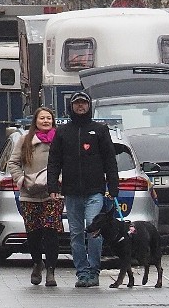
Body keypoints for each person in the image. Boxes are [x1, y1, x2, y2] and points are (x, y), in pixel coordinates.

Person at [46, 91, 119, 288]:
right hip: (71, 193)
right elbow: (54, 161)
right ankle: (82, 272)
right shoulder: (62, 132)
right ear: (71, 106)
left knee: (93, 231)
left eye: (83, 103)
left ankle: (94, 271)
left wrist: (113, 186)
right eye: (77, 103)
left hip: (95, 191)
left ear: (89, 106)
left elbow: (110, 160)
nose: (80, 106)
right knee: (76, 234)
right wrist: (52, 185)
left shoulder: (100, 130)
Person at [7, 107, 63, 287]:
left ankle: (51, 270)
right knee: (34, 233)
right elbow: (13, 162)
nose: (46, 121)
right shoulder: (25, 139)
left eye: (49, 118)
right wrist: (21, 179)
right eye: (42, 118)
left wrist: (61, 179)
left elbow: (68, 162)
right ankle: (37, 263)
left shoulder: (60, 140)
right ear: (35, 121)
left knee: (51, 230)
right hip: (29, 194)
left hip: (53, 194)